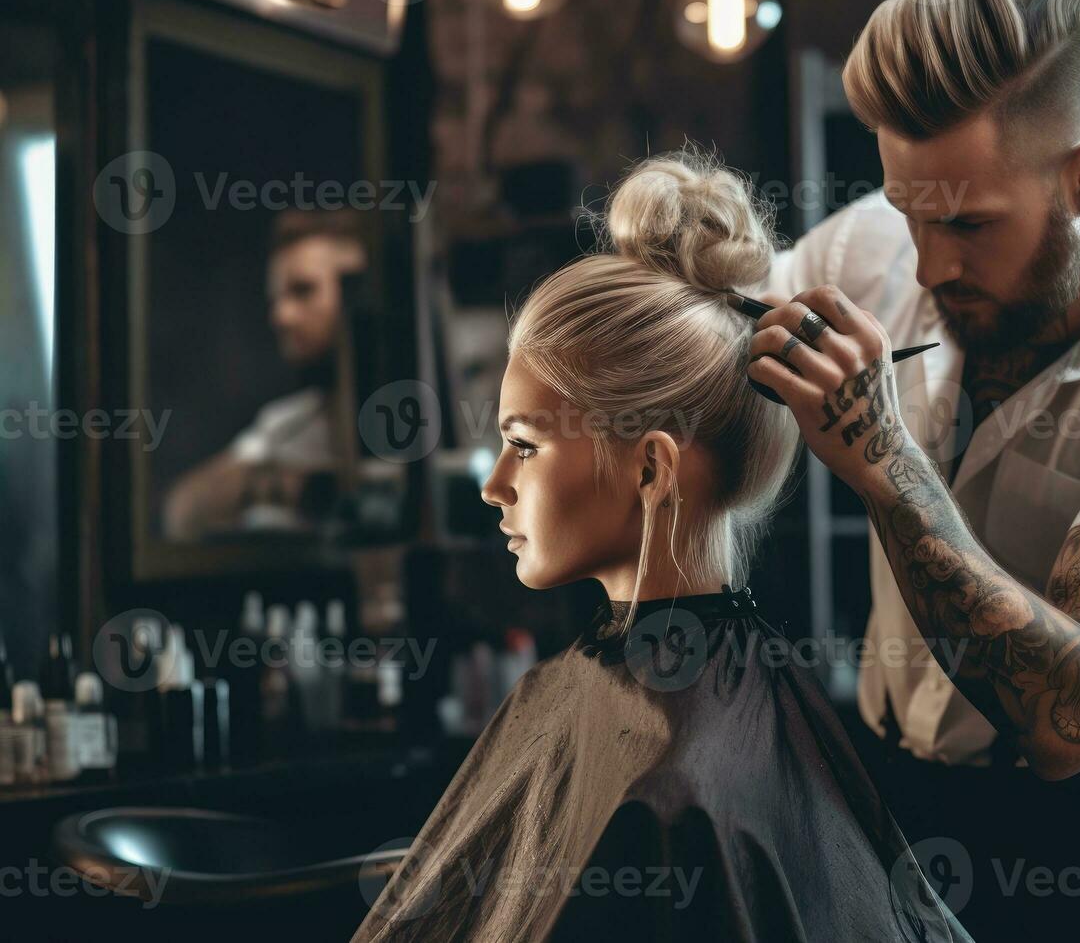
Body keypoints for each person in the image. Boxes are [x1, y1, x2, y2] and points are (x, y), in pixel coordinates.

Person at [748, 0, 1080, 939]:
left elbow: (1067, 713)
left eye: (967, 224)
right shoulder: (879, 246)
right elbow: (721, 328)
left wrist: (887, 465)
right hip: (886, 818)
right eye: (910, 211)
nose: (927, 264)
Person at [352, 152, 971, 943]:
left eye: (526, 446)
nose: (494, 485)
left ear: (650, 467)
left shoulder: (671, 794)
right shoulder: (703, 713)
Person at [163, 209, 366, 538]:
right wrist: (286, 486)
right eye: (276, 298)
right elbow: (183, 511)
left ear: (359, 290)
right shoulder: (284, 427)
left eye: (303, 291)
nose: (281, 316)